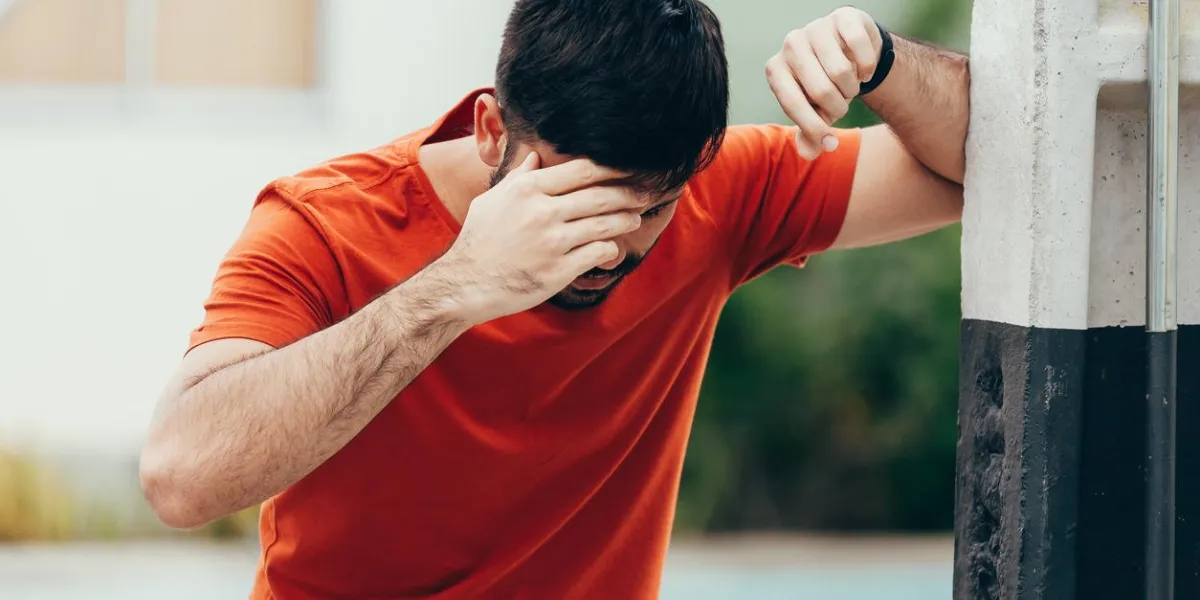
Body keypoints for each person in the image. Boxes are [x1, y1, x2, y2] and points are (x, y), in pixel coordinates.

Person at [139, 1, 968, 598]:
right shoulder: (324, 221)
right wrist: (453, 289)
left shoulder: (722, 192)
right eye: (581, 201)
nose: (610, 245)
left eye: (650, 207)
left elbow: (1003, 162)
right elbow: (181, 477)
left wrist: (881, 60)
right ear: (493, 131)